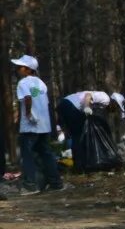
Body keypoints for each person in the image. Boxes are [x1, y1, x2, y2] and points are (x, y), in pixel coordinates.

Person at [11, 55, 63, 195]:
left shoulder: (23, 83)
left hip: (30, 125)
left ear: (28, 69)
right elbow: (45, 103)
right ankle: (56, 183)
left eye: (20, 67)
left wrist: (27, 114)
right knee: (46, 153)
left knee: (27, 154)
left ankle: (30, 185)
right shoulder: (41, 84)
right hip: (43, 125)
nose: (17, 69)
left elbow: (27, 98)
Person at [57, 90, 117, 171]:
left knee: (76, 136)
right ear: (114, 103)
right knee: (79, 135)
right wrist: (86, 107)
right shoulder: (105, 98)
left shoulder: (104, 105)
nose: (115, 110)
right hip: (71, 105)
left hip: (65, 104)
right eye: (116, 107)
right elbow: (88, 95)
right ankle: (80, 165)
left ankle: (79, 164)